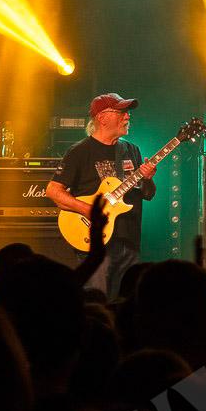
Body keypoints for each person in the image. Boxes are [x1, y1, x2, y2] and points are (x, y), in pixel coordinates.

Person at [46, 92, 155, 298]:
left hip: (128, 240)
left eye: (127, 112)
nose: (127, 116)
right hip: (95, 242)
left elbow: (148, 194)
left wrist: (148, 178)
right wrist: (88, 210)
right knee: (97, 300)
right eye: (121, 112)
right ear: (102, 118)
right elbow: (53, 191)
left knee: (126, 302)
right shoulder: (79, 151)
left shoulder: (131, 150)